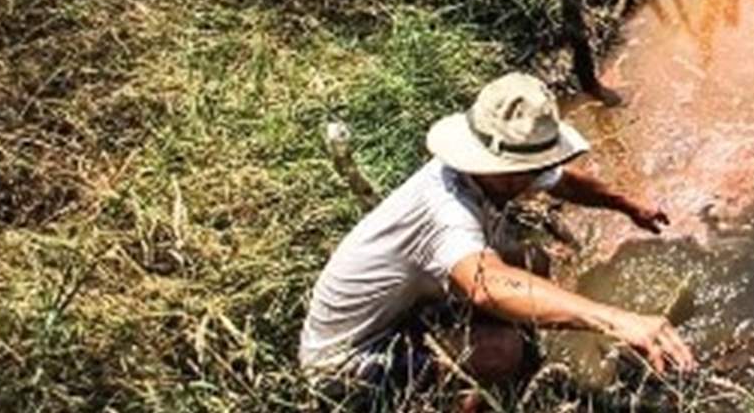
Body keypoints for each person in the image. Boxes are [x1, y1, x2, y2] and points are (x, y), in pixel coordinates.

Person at [298, 72, 696, 404]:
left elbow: (562, 182)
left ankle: (513, 375)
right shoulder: (447, 209)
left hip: (404, 311)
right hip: (347, 364)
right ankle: (481, 392)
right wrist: (614, 319)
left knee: (533, 263)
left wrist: (629, 205)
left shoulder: (497, 167)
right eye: (521, 171)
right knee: (502, 352)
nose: (530, 181)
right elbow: (485, 285)